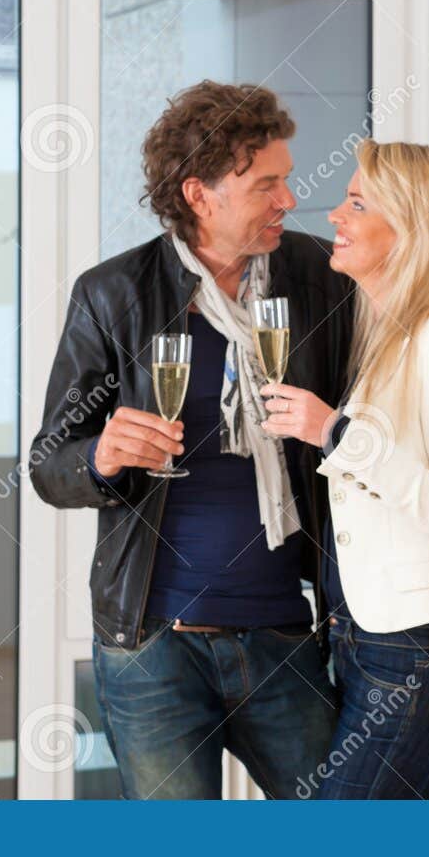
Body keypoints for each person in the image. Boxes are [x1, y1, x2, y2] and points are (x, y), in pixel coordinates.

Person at [28, 80, 351, 799]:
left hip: (285, 632)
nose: (288, 199)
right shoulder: (115, 294)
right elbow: (50, 463)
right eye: (266, 183)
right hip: (153, 648)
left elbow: (384, 434)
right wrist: (100, 456)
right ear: (199, 192)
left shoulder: (320, 279)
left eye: (286, 179)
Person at [261, 140, 429, 799]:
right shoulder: (383, 332)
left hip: (410, 654)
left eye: (358, 202)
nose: (335, 213)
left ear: (411, 229)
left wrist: (335, 433)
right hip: (366, 639)